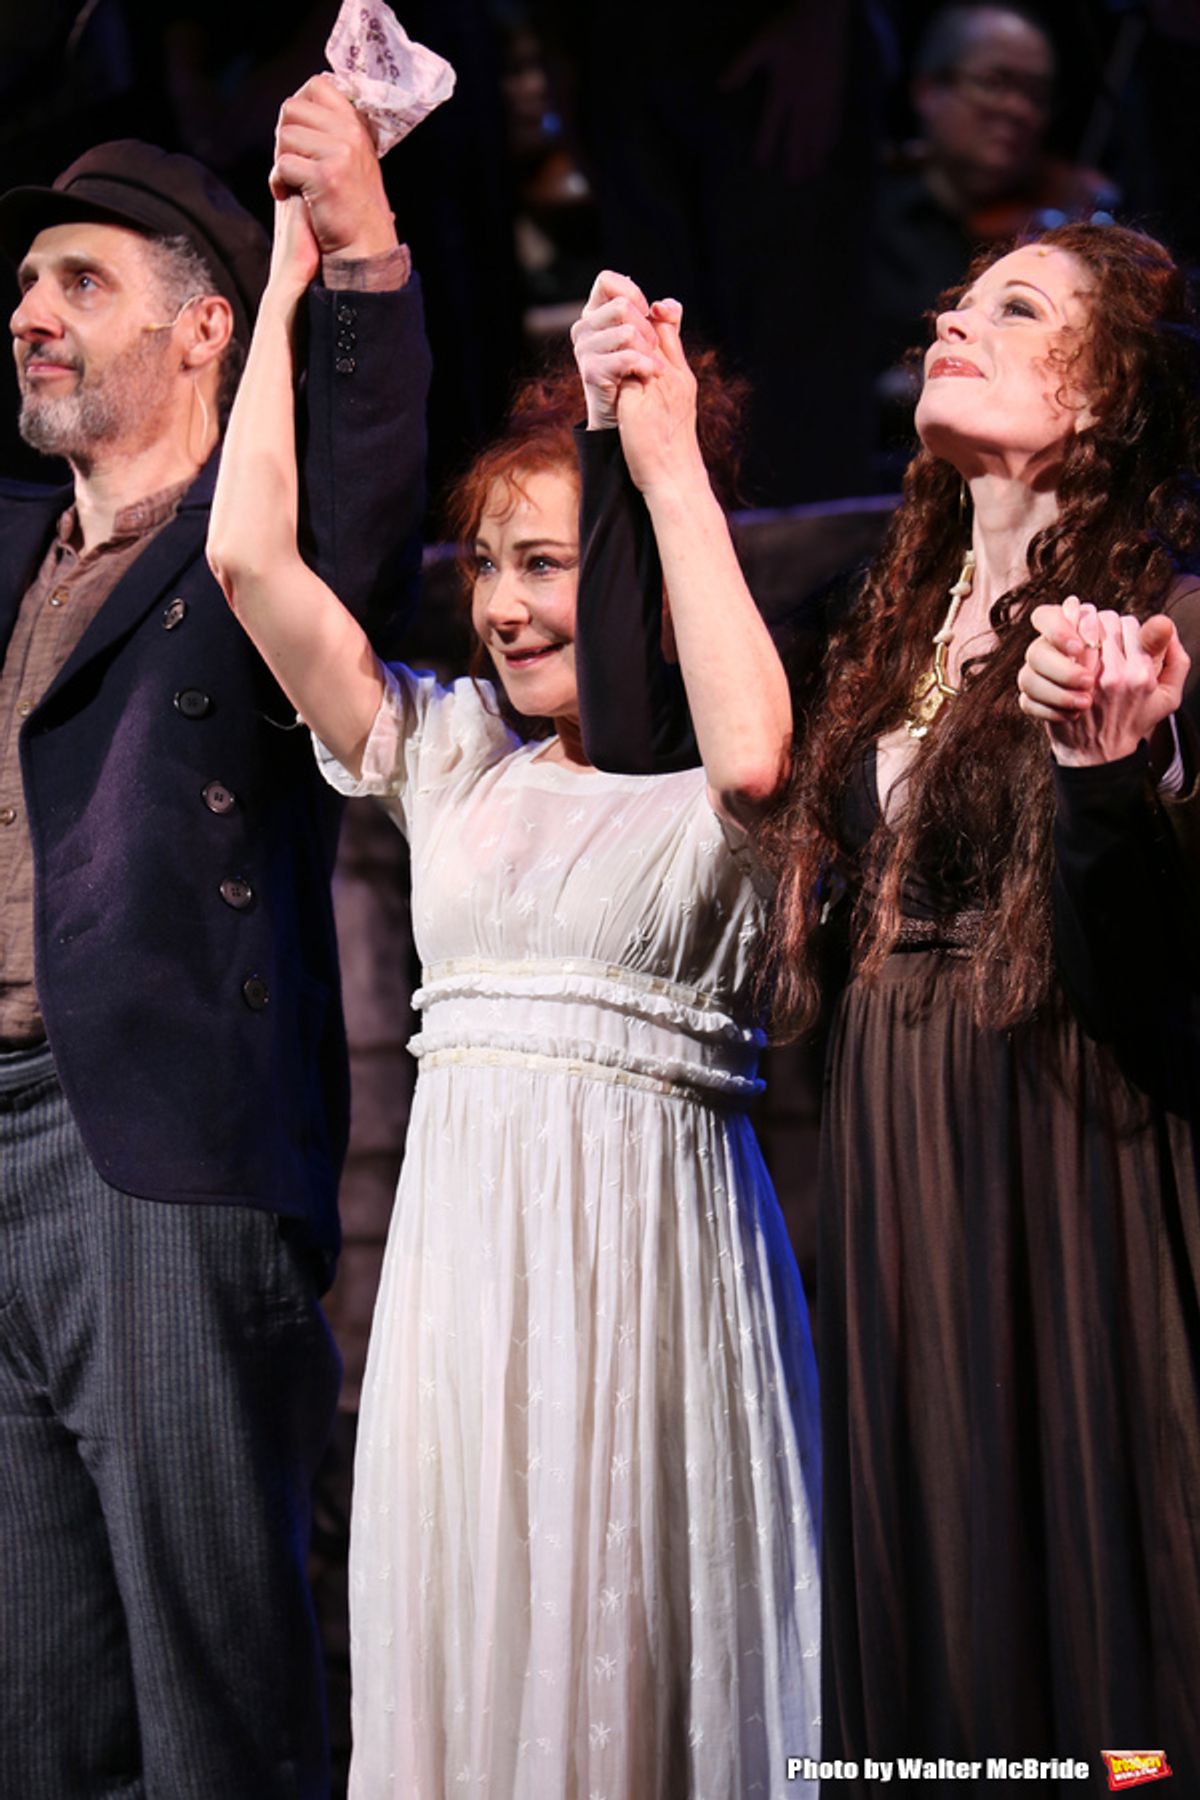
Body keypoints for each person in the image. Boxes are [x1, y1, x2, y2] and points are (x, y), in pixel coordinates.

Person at [570, 225, 1200, 1790]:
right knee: (937, 1620)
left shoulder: (1164, 624)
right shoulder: (897, 627)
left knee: (1090, 1624)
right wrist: (632, 443)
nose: (953, 321)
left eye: (1017, 307)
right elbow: (645, 735)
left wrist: (1109, 777)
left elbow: (1152, 987)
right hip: (905, 1179)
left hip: (1076, 1178)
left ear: (1110, 394)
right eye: (954, 301)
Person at [207, 191, 822, 1793]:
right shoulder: (456, 752)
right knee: (474, 1651)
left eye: (543, 563)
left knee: (637, 1654)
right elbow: (246, 556)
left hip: (649, 1272)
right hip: (465, 1289)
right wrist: (288, 278)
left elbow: (757, 758)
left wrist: (661, 452)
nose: (499, 604)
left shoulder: (723, 781)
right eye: (484, 566)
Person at [0, 78, 429, 1800]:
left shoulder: (255, 561)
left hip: (158, 1156)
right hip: (4, 1146)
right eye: (24, 285)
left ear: (203, 332)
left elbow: (368, 472)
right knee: (39, 1710)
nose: (30, 311)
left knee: (213, 1703)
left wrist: (362, 248)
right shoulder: (18, 552)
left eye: (79, 282)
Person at [872, 5, 1117, 438]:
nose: (1017, 108)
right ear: (928, 91)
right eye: (994, 83)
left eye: (1036, 94)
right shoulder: (864, 227)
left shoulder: (1056, 225)